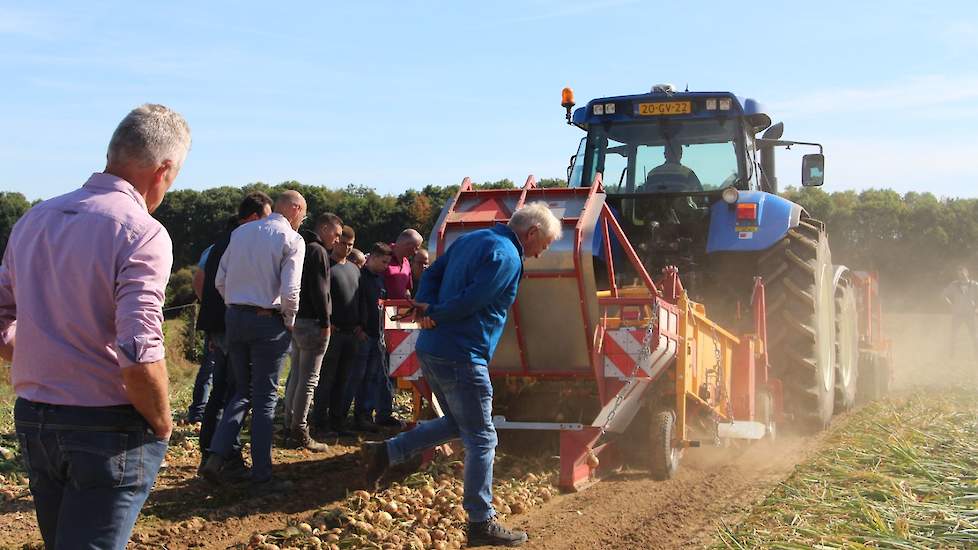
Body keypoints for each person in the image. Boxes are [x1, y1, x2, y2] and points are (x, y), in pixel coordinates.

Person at [0, 104, 190, 548]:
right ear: (163, 169)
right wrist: (162, 422)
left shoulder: (35, 219)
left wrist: (40, 353)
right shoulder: (143, 232)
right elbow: (140, 348)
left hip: (34, 417)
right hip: (107, 424)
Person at [364, 202, 562, 547]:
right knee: (483, 438)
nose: (540, 254)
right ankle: (481, 520)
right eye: (542, 246)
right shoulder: (508, 256)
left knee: (459, 422)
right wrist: (435, 312)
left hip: (433, 348)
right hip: (463, 354)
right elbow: (475, 300)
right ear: (531, 233)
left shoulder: (473, 239)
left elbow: (435, 272)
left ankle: (388, 452)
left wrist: (424, 306)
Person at [201, 190, 307, 494]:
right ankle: (262, 475)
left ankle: (216, 456)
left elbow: (220, 280)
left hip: (234, 318)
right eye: (303, 214)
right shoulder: (291, 240)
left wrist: (237, 305)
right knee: (264, 399)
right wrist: (287, 321)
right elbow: (290, 290)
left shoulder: (241, 232)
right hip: (267, 323)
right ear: (296, 210)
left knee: (242, 392)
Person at [195, 192, 273, 477]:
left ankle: (212, 451)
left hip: (220, 322)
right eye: (266, 218)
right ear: (253, 218)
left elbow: (204, 280)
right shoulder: (241, 241)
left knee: (222, 390)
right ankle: (228, 454)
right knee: (235, 390)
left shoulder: (221, 241)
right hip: (233, 322)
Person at [283, 212, 343, 451]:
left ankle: (289, 424)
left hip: (298, 321)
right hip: (313, 323)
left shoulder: (302, 245)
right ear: (325, 228)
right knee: (309, 379)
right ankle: (300, 430)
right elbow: (320, 289)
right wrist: (326, 321)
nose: (337, 240)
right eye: (337, 234)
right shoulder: (318, 251)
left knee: (297, 375)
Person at [312, 226, 362, 436]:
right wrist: (326, 322)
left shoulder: (354, 269)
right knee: (326, 379)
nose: (348, 248)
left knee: (344, 379)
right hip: (333, 331)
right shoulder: (326, 266)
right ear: (337, 241)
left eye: (351, 245)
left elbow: (358, 299)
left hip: (352, 333)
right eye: (344, 243)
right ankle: (320, 422)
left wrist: (360, 323)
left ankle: (338, 420)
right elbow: (319, 295)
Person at [185, 217, 235, 425]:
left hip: (224, 316)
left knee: (215, 366)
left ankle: (207, 411)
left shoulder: (214, 248)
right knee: (210, 365)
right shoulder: (217, 249)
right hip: (220, 317)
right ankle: (198, 411)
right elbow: (199, 279)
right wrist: (210, 305)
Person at [342, 242, 394, 432]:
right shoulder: (359, 277)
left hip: (376, 334)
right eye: (383, 261)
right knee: (356, 377)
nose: (386, 266)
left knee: (371, 377)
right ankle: (343, 415)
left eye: (388, 263)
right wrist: (357, 327)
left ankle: (365, 414)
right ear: (372, 257)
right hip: (362, 335)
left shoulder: (379, 280)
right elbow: (353, 302)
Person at [943, 267, 978, 358]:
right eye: (959, 274)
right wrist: (950, 304)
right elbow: (944, 295)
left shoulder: (974, 285)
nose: (960, 276)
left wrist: (977, 308)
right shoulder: (953, 285)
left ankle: (976, 355)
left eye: (962, 273)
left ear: (967, 273)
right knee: (953, 334)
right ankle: (951, 355)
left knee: (974, 335)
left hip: (970, 314)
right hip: (957, 314)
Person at [386, 228, 423, 300]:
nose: (416, 252)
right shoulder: (383, 255)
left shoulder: (406, 263)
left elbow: (407, 289)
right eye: (415, 248)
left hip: (400, 309)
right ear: (406, 244)